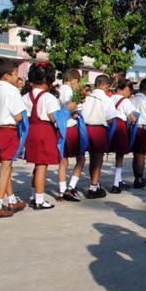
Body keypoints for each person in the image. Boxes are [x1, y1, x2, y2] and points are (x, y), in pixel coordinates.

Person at [0, 59, 27, 218]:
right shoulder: (12, 91)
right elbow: (17, 115)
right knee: (5, 169)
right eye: (15, 74)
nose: (17, 77)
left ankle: (11, 200)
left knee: (6, 167)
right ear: (6, 76)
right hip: (8, 131)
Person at [23, 62, 61, 209]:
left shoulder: (26, 96)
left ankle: (34, 195)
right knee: (42, 166)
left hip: (31, 130)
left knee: (36, 165)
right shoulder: (49, 98)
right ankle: (39, 200)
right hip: (44, 131)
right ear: (47, 79)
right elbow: (54, 118)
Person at [81, 75, 117, 198]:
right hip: (99, 130)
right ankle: (93, 186)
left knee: (91, 158)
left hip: (85, 128)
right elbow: (111, 119)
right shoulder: (107, 99)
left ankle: (94, 184)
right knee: (98, 160)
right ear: (105, 86)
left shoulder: (86, 97)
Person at [57, 69, 86, 202]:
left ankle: (62, 191)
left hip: (61, 127)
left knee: (63, 161)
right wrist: (79, 96)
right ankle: (71, 187)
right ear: (74, 80)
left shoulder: (60, 89)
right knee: (81, 158)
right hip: (70, 127)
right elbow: (70, 106)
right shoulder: (67, 90)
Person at [109, 78, 138, 193]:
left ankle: (119, 179)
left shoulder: (110, 98)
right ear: (126, 89)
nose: (130, 94)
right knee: (120, 156)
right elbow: (132, 118)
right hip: (120, 126)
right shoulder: (125, 101)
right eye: (130, 91)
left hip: (110, 126)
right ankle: (116, 184)